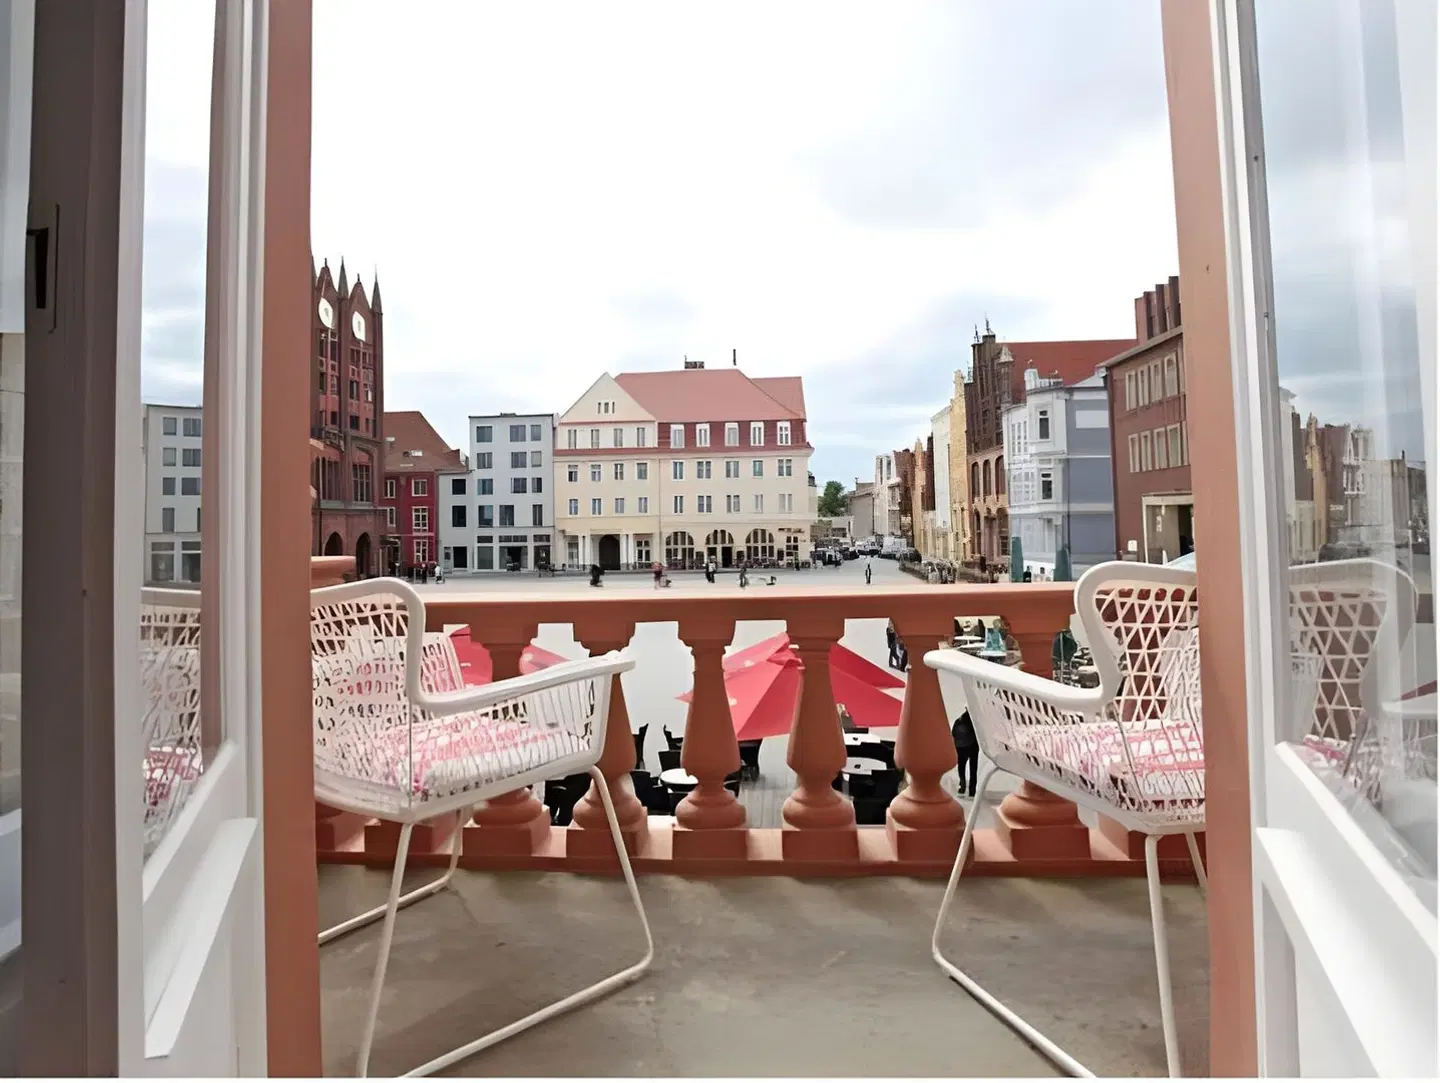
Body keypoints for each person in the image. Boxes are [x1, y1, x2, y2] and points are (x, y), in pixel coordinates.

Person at [952, 709, 979, 798]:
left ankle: (962, 786)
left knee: (961, 767)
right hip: (973, 746)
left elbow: (953, 734)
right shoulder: (975, 721)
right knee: (973, 769)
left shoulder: (958, 721)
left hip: (961, 748)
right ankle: (972, 791)